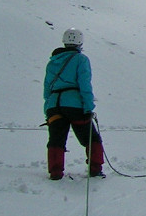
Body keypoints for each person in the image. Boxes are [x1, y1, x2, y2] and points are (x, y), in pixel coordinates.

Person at [43, 28, 104, 179]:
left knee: (56, 138)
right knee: (91, 138)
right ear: (80, 42)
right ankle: (95, 168)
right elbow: (84, 84)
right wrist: (89, 106)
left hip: (54, 105)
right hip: (74, 104)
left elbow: (47, 88)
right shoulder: (81, 59)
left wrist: (48, 108)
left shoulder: (52, 62)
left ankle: (55, 171)